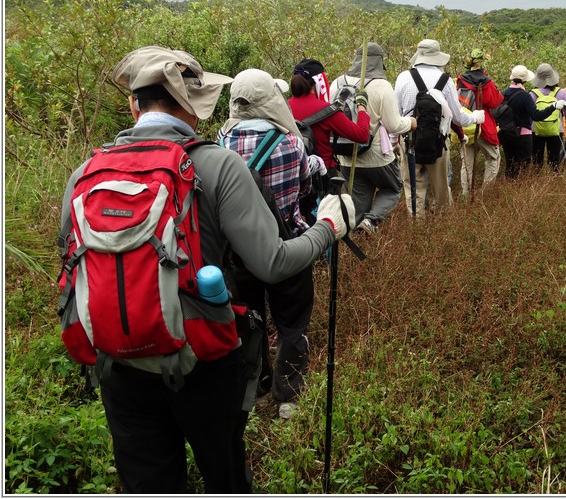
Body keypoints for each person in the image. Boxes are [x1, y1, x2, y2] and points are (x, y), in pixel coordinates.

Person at [59, 46, 355, 494]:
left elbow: (71, 259)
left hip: (118, 367)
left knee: (148, 484)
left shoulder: (86, 171)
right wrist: (327, 229)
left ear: (133, 104)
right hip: (202, 359)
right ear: (193, 105)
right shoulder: (216, 164)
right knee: (225, 477)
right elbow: (272, 263)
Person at [217, 68, 317, 419]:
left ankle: (256, 388)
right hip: (288, 246)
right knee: (292, 323)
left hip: (239, 254)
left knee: (248, 319)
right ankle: (288, 395)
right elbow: (306, 191)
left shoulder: (220, 145)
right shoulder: (290, 143)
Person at [329, 42, 416, 233]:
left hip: (345, 155)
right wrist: (411, 122)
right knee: (393, 188)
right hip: (376, 155)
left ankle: (358, 248)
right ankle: (372, 221)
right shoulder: (382, 85)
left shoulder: (336, 82)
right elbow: (394, 125)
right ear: (379, 62)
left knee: (358, 205)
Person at [394, 39, 485, 217]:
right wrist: (475, 117)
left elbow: (396, 115)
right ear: (437, 57)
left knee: (413, 188)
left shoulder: (403, 77)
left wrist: (392, 141)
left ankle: (416, 228)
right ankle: (443, 226)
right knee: (441, 188)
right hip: (438, 142)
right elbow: (458, 117)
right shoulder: (445, 80)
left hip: (409, 140)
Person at [288, 58, 371, 190]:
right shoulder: (327, 110)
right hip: (323, 177)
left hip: (292, 176)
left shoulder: (283, 108)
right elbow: (362, 135)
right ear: (319, 82)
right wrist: (362, 109)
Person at [497, 65, 561, 178]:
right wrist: (553, 106)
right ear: (525, 80)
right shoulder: (525, 96)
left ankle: (510, 189)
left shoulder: (503, 94)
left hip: (505, 134)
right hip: (522, 136)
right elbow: (537, 116)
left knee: (510, 165)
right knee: (523, 166)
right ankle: (520, 191)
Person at [455, 49, 504, 196]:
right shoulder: (486, 82)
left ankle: (466, 194)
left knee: (467, 163)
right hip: (483, 123)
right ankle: (485, 193)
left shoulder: (459, 80)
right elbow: (495, 102)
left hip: (465, 123)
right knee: (494, 157)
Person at [529, 63, 566, 172]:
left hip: (536, 130)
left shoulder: (533, 94)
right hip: (556, 130)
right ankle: (554, 181)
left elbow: (530, 114)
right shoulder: (560, 92)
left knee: (537, 160)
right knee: (554, 159)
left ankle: (535, 180)